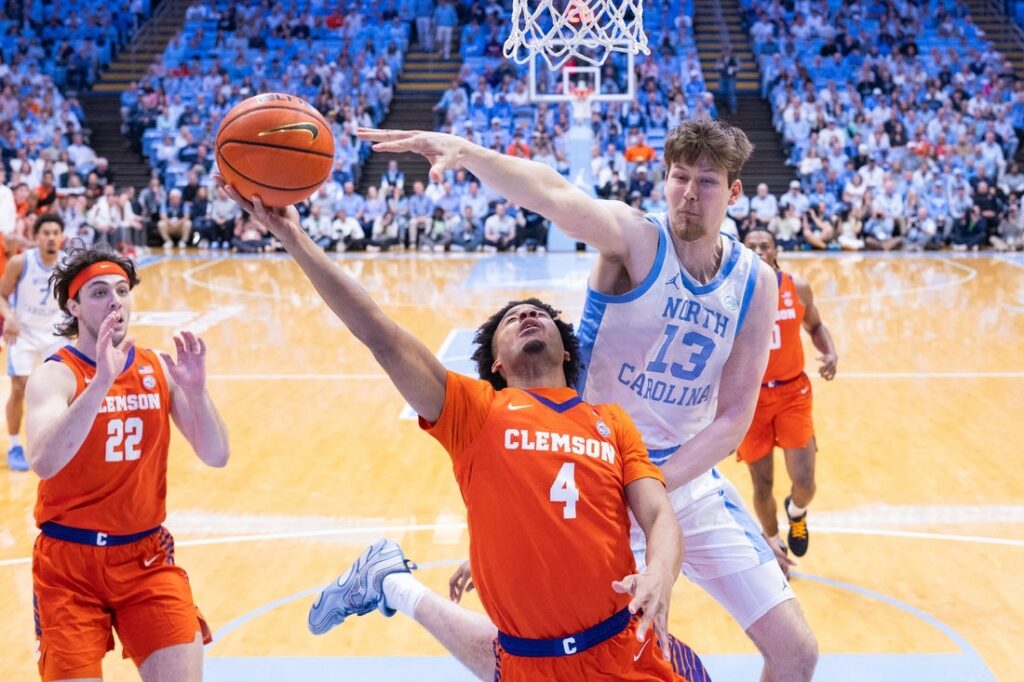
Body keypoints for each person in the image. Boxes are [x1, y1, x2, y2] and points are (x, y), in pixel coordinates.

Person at [358, 119, 818, 679]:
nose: (689, 194)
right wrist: (469, 153)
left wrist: (648, 486)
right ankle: (397, 587)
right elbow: (553, 194)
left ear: (734, 191)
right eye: (679, 178)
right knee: (541, 650)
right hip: (592, 471)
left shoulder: (755, 282)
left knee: (796, 651)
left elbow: (734, 417)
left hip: (682, 478)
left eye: (706, 181)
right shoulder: (636, 240)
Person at [217, 178, 708, 682]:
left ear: (566, 351)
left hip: (623, 647)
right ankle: (393, 585)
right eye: (512, 319)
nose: (527, 314)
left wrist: (660, 572)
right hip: (528, 663)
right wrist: (294, 237)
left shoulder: (611, 422)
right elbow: (379, 334)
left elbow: (659, 515)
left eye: (538, 314)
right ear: (496, 363)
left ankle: (392, 585)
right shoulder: (475, 412)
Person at [23, 247, 230, 681]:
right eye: (99, 292)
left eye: (121, 290)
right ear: (74, 307)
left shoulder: (157, 368)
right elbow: (43, 461)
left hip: (145, 556)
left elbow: (216, 455)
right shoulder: (56, 375)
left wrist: (196, 392)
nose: (115, 301)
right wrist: (101, 383)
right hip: (68, 565)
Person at [737, 230, 837, 560]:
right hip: (751, 398)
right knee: (762, 484)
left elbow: (816, 326)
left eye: (764, 245)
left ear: (776, 250)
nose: (758, 250)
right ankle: (773, 543)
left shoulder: (798, 288)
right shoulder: (732, 292)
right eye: (751, 246)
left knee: (805, 483)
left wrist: (830, 351)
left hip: (793, 393)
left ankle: (796, 512)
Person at [0, 214, 65, 471]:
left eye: (55, 233)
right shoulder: (20, 262)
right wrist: (9, 317)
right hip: (23, 333)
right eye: (46, 232)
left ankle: (59, 442)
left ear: (61, 237)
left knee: (62, 389)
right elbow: (2, 295)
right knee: (19, 388)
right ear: (36, 236)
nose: (51, 237)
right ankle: (15, 445)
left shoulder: (69, 265)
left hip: (55, 333)